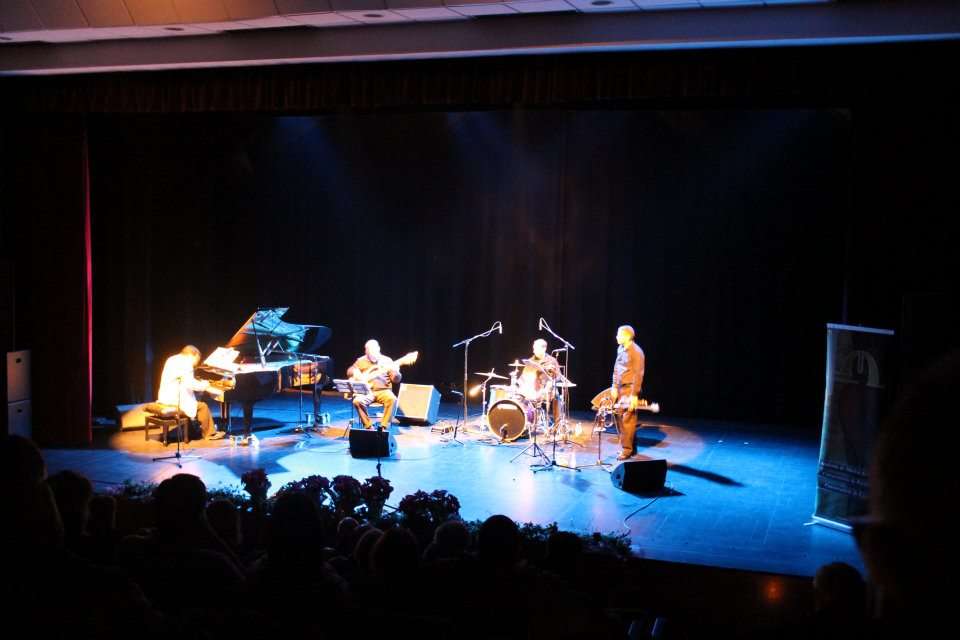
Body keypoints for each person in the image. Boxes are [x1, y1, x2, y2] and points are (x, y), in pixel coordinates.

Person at [157, 345, 221, 439]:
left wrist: (201, 385)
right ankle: (210, 433)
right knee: (202, 406)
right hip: (174, 400)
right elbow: (190, 384)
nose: (196, 364)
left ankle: (192, 431)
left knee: (194, 402)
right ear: (193, 355)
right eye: (197, 360)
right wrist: (206, 386)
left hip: (165, 396)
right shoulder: (186, 363)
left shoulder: (172, 359)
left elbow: (183, 380)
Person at [347, 339, 402, 430]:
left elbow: (396, 380)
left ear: (378, 349)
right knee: (357, 401)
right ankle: (369, 426)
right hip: (367, 392)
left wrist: (397, 373)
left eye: (373, 351)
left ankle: (383, 427)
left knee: (392, 399)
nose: (372, 354)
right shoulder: (361, 361)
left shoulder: (387, 360)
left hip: (383, 391)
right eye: (369, 352)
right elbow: (349, 371)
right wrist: (354, 372)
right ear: (366, 352)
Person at [610, 325, 645, 460]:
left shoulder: (636, 352)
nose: (616, 337)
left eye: (619, 335)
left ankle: (627, 450)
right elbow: (616, 368)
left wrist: (634, 396)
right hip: (620, 388)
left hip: (630, 388)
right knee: (620, 417)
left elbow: (638, 375)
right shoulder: (621, 349)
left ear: (627, 336)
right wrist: (613, 386)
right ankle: (630, 446)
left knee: (628, 419)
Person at [520, 338, 561, 423]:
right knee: (519, 395)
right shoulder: (531, 361)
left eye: (536, 349)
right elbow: (523, 377)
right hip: (532, 388)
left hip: (546, 389)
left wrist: (551, 383)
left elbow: (558, 377)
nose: (533, 351)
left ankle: (557, 424)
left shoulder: (552, 360)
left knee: (556, 395)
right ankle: (526, 422)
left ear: (544, 348)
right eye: (533, 348)